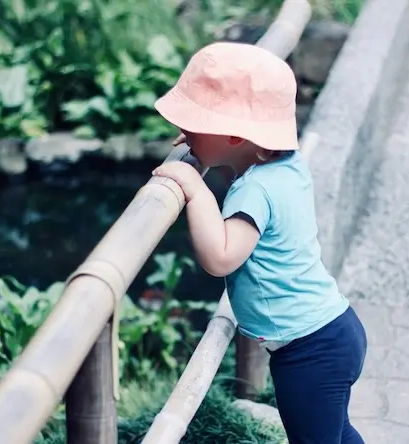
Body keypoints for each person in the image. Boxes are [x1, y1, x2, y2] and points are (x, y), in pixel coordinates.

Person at [150, 41, 368, 444]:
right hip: (334, 332)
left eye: (196, 122)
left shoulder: (254, 191)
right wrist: (203, 146)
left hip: (308, 353)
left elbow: (220, 258)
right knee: (337, 432)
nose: (184, 131)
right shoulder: (285, 167)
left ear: (235, 135)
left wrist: (196, 188)